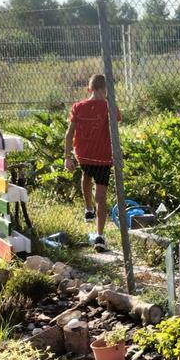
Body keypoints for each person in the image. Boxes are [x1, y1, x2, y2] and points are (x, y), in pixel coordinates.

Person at [64, 74, 120, 251]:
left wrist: (67, 157)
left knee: (86, 176)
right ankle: (100, 236)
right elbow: (115, 129)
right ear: (107, 90)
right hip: (104, 158)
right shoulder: (109, 107)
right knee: (101, 197)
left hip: (84, 156)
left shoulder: (78, 107)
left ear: (89, 89)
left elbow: (69, 134)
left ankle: (88, 208)